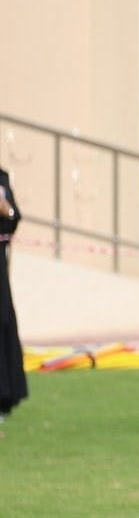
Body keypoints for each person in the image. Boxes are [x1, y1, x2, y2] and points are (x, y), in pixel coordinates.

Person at [0, 168, 24, 423]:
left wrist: (4, 207)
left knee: (4, 321)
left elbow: (14, 216)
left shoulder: (2, 178)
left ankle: (5, 396)